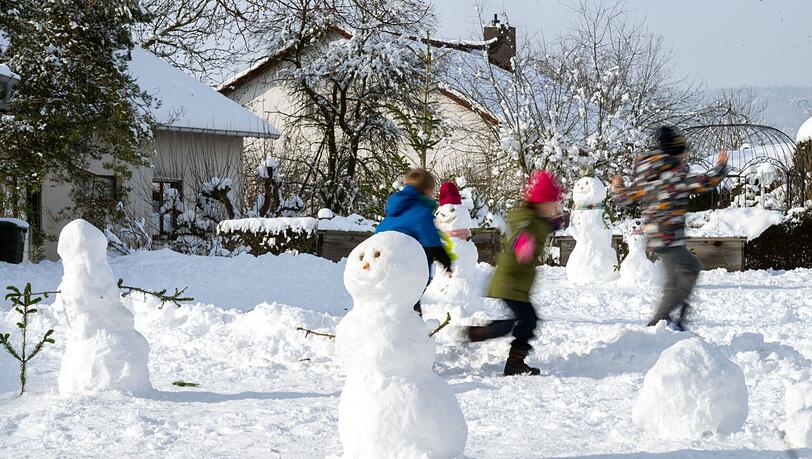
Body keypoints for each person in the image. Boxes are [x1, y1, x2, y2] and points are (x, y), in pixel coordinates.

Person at [611, 126, 729, 331]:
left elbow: (625, 197)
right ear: (676, 152)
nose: (685, 156)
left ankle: (675, 311)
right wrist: (720, 166)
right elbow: (704, 182)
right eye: (683, 152)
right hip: (669, 239)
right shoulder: (674, 177)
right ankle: (657, 324)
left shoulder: (648, 177)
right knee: (674, 283)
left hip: (661, 238)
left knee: (689, 268)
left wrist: (618, 186)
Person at [465, 170, 564, 376]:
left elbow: (540, 227)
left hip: (515, 284)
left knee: (526, 321)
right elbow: (521, 234)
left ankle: (508, 356)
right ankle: (503, 352)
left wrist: (554, 223)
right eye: (552, 204)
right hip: (510, 282)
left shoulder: (535, 219)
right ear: (540, 203)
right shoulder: (527, 220)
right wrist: (522, 244)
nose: (555, 208)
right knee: (526, 322)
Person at [376, 168, 453, 316]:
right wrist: (446, 262)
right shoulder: (420, 211)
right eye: (432, 191)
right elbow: (432, 243)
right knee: (410, 304)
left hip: (382, 263)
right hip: (405, 269)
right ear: (425, 191)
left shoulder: (395, 210)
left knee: (391, 303)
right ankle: (413, 329)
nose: (433, 195)